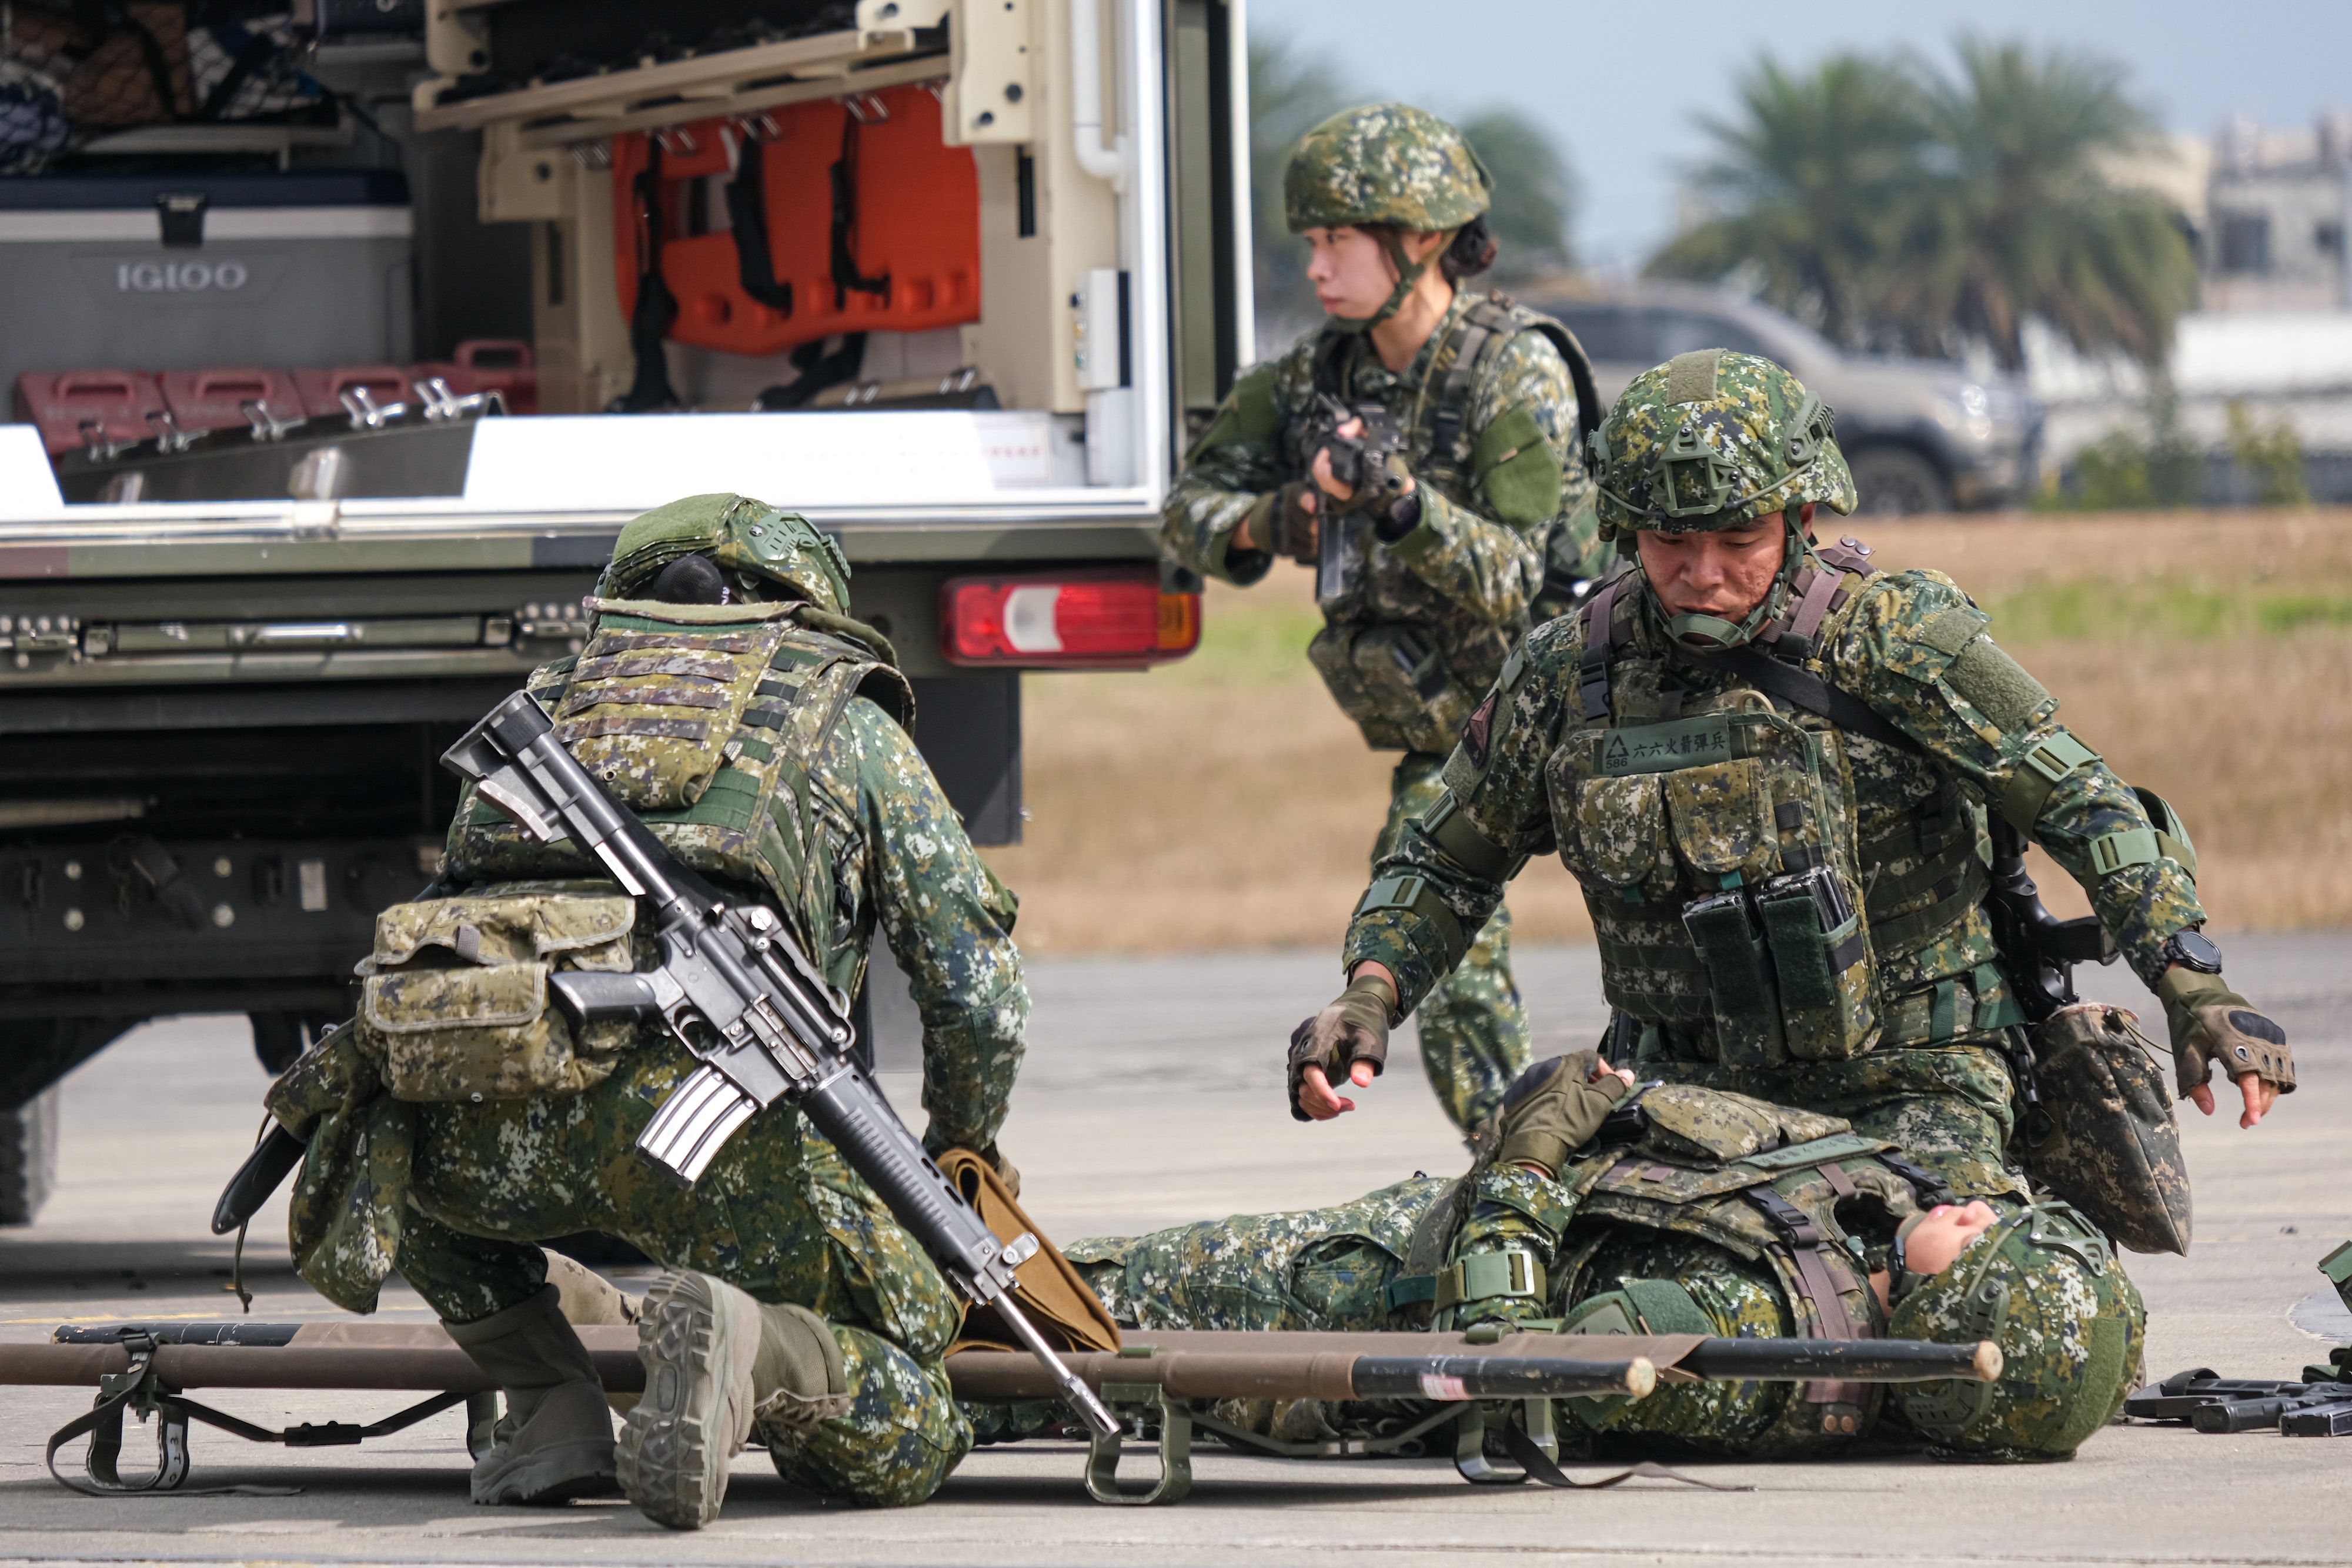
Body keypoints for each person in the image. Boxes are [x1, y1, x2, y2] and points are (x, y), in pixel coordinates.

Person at [1288, 349, 2293, 1209]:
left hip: (1914, 1084)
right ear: (1624, 531)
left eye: (1739, 542)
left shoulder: (1896, 640)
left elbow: (2087, 805)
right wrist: (1368, 999)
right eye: (1670, 543)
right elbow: (1446, 861)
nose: (1703, 573)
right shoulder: (1567, 673)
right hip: (1671, 1089)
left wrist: (2194, 986)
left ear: (1800, 516)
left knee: (1934, 1280)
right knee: (1552, 1276)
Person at [261, 494, 1030, 1526]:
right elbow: (976, 991)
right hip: (735, 1149)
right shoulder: (847, 724)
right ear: (808, 603)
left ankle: (548, 1404)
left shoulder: (546, 711)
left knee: (389, 1142)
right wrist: (961, 1145)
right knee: (919, 1397)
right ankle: (757, 1350)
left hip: (490, 1128)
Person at [1161, 101, 1604, 1132]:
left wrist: (1399, 504)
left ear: (1422, 240)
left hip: (1576, 713)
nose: (1317, 267)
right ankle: (1519, 1168)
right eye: (1311, 242)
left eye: (1338, 241)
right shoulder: (1315, 376)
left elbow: (1513, 574)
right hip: (1455, 736)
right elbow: (1187, 509)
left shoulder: (1512, 369)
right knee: (1438, 963)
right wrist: (1286, 514)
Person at [1066, 1055, 2143, 1463]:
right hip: (1410, 1236)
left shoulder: (1738, 1329)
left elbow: (1513, 1360)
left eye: (1980, 1235)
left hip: (1360, 1286)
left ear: (1944, 1317)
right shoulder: (1883, 1271)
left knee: (1067, 1310)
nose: (1977, 1205)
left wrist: (1534, 1157)